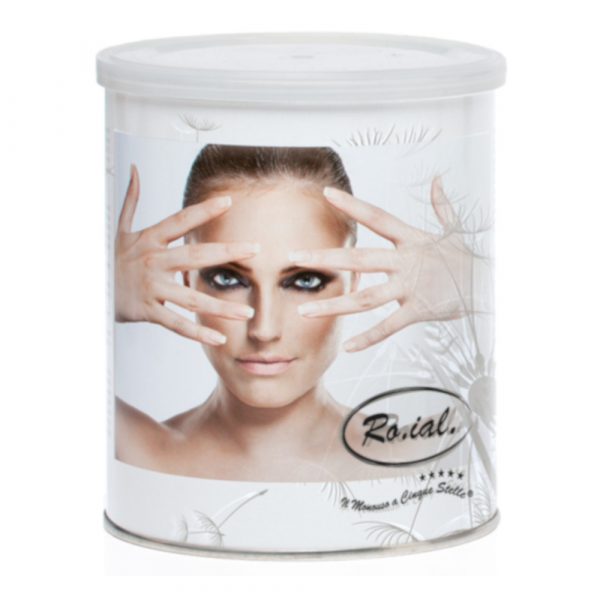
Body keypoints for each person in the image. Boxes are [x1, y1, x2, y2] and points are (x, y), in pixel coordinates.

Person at [114, 144, 482, 482]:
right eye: (227, 278)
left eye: (305, 281)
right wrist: (103, 289)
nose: (264, 329)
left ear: (353, 280)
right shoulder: (131, 448)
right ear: (185, 278)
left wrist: (479, 287)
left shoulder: (427, 454)